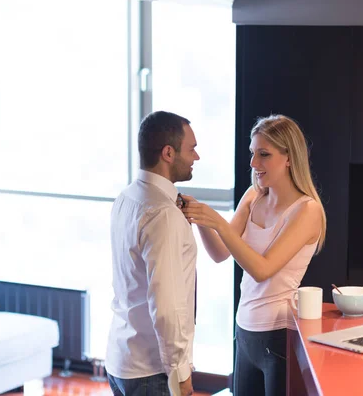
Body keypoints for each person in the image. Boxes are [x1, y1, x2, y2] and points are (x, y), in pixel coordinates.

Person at [180, 114, 326, 396]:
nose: (253, 164)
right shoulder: (253, 195)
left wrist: (219, 222)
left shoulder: (307, 211)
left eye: (263, 154)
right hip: (245, 330)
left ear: (288, 157)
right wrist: (200, 217)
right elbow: (220, 253)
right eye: (252, 153)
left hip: (278, 336)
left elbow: (263, 269)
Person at [106, 111, 200, 396]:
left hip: (121, 359)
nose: (196, 157)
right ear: (168, 153)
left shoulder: (127, 197)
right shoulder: (163, 214)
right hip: (151, 372)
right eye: (192, 149)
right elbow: (167, 307)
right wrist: (181, 373)